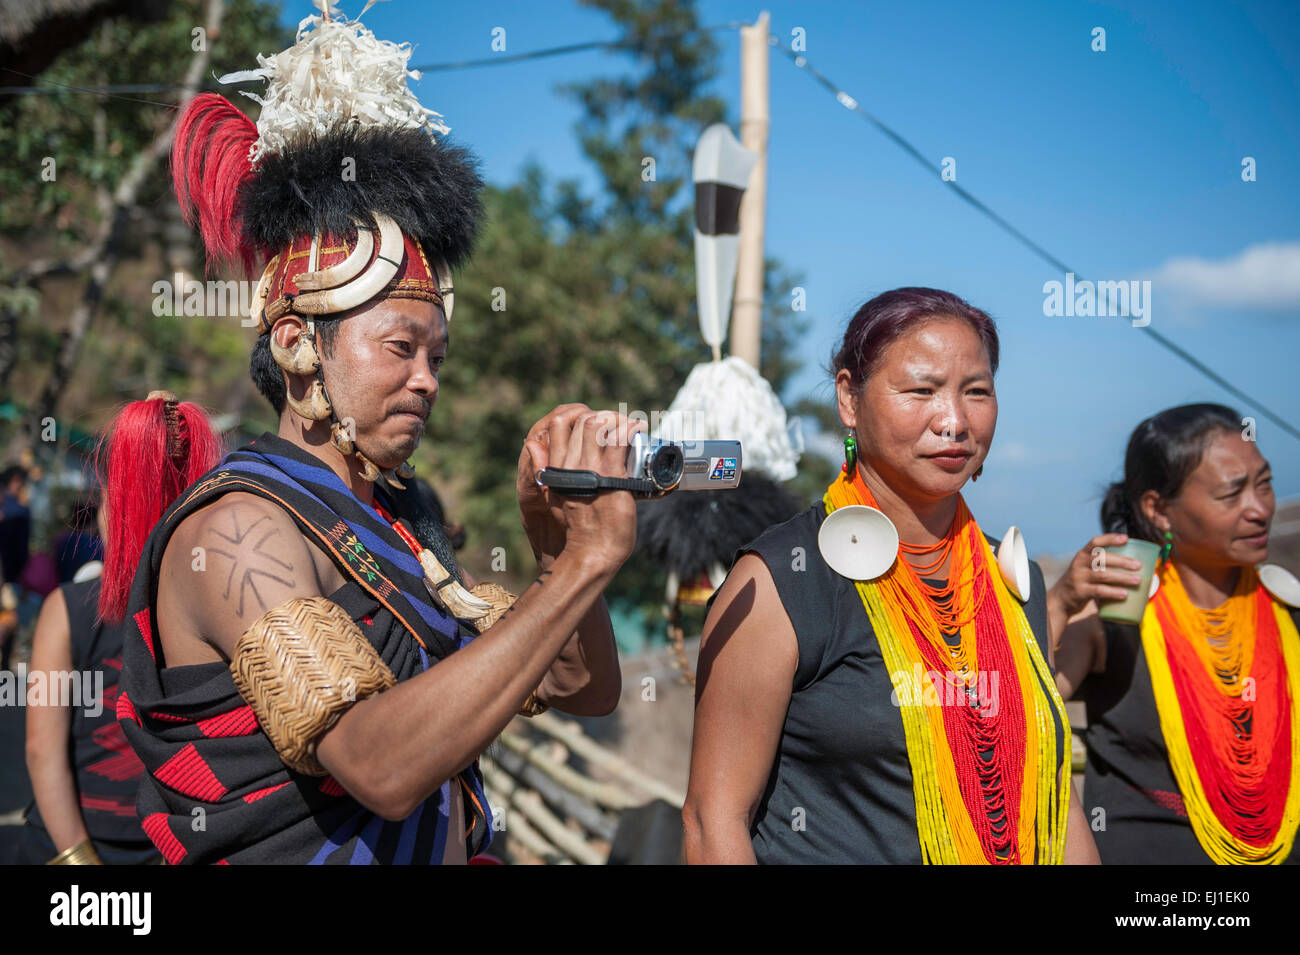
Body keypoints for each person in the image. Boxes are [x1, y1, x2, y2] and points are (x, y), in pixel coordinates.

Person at [117, 10, 638, 865]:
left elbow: (579, 687)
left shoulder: (393, 522)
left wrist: (557, 543)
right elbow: (381, 765)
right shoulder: (240, 529)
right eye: (401, 348)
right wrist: (582, 568)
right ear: (296, 345)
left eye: (438, 355)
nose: (428, 378)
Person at [684, 287, 1097, 864]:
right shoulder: (783, 579)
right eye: (921, 391)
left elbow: (1054, 804)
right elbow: (712, 821)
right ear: (850, 398)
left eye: (976, 392)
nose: (953, 421)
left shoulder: (1010, 579)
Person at [1051, 403, 1300, 864]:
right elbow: (1012, 708)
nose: (1259, 509)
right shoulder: (1113, 616)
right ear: (1158, 510)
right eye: (1232, 494)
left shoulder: (1289, 612)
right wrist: (1059, 602)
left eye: (1264, 484)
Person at [21, 393, 223, 865]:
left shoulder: (68, 608)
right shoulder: (219, 615)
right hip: (174, 850)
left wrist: (77, 859)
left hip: (64, 845)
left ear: (121, 503)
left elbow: (40, 749)